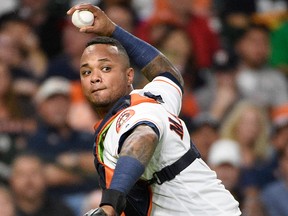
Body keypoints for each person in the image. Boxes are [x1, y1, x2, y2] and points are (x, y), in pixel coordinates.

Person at [66, 4, 241, 216]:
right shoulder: (156, 97)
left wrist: (110, 205)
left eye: (106, 68)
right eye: (86, 72)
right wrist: (112, 30)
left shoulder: (133, 114)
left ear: (130, 76)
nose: (95, 77)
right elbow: (168, 73)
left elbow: (143, 138)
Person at [9, 152, 75, 216]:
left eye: (34, 173)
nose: (29, 180)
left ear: (44, 178)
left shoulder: (62, 211)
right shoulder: (4, 211)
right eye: (22, 174)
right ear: (12, 180)